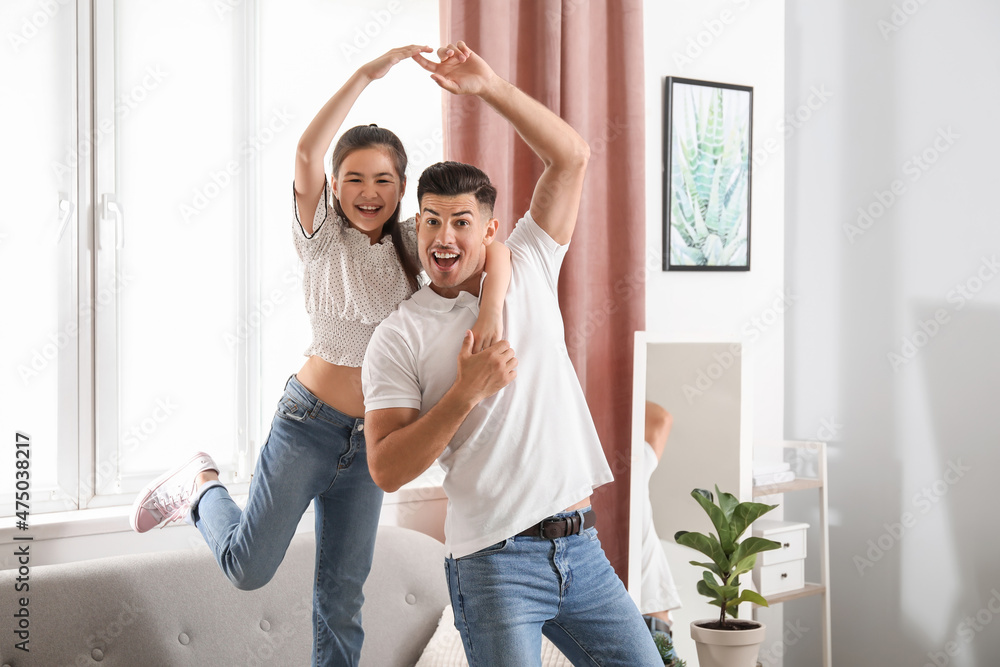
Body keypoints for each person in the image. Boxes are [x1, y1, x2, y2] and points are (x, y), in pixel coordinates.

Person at [128, 45, 511, 667]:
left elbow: (499, 251)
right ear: (334, 186)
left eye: (383, 180)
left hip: (374, 441)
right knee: (248, 568)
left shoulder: (415, 240)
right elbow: (307, 151)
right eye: (353, 178)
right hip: (307, 425)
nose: (368, 191)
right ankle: (200, 484)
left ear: (402, 189)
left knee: (341, 599)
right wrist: (366, 74)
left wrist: (490, 311)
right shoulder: (320, 236)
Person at [362, 41, 662, 667]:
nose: (443, 237)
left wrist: (490, 87)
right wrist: (465, 393)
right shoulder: (398, 335)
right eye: (431, 220)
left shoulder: (528, 262)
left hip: (581, 547)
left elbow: (572, 156)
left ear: (490, 229)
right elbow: (386, 469)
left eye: (460, 221)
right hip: (494, 564)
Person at [640, 401, 684, 666]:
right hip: (651, 620)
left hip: (649, 621)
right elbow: (660, 418)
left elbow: (661, 418)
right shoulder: (633, 463)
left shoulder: (633, 464)